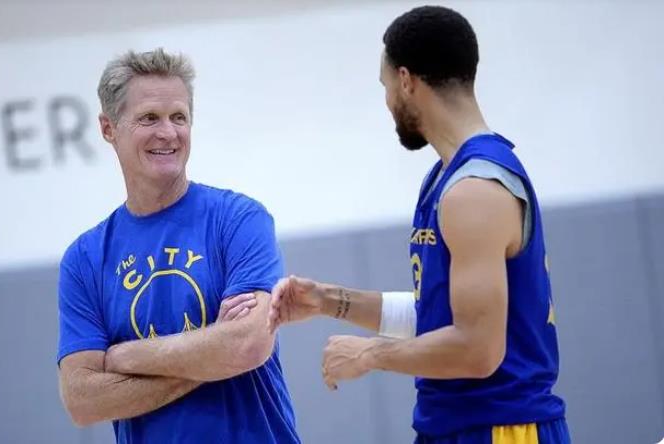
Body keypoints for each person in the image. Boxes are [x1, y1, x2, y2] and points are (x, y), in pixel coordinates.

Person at [268, 6, 570, 444]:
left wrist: (371, 354)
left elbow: (477, 349)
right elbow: (439, 315)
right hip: (451, 426)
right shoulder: (445, 178)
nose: (388, 101)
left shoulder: (474, 189)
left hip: (501, 428)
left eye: (386, 86)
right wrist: (328, 300)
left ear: (407, 81)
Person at [57, 48, 300, 444]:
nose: (168, 133)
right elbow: (82, 401)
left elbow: (249, 344)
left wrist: (127, 356)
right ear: (108, 128)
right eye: (149, 118)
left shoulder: (239, 219)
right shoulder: (84, 259)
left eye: (179, 117)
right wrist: (213, 350)